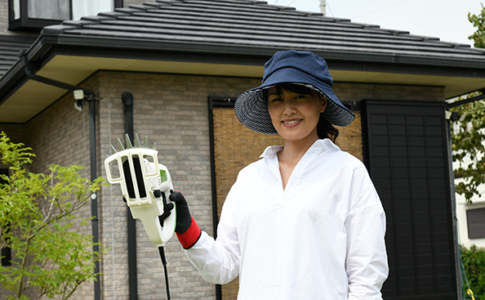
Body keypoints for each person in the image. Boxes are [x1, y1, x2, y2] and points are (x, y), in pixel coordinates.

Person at [169, 50, 388, 299]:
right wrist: (186, 228)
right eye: (276, 99)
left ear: (322, 102)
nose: (288, 109)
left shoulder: (348, 173)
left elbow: (366, 278)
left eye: (299, 96)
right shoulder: (249, 179)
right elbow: (224, 266)